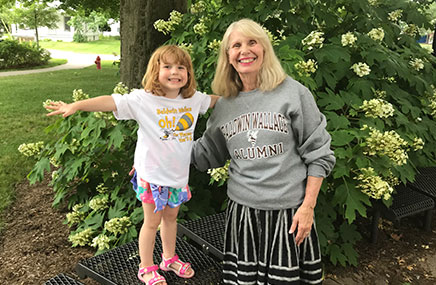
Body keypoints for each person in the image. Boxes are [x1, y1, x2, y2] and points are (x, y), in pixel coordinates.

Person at [46, 45, 219, 285]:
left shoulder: (192, 99)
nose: (175, 72)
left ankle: (168, 259)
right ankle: (146, 267)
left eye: (181, 67)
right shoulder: (143, 100)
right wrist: (76, 105)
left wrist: (248, 98)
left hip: (178, 177)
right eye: (167, 66)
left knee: (171, 219)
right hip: (153, 176)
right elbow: (111, 101)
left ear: (188, 73)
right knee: (152, 223)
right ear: (155, 71)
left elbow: (216, 101)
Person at [191, 19, 335, 284]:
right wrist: (156, 152)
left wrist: (308, 207)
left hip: (289, 215)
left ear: (265, 49)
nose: (244, 50)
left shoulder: (293, 93)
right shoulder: (225, 105)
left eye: (252, 42)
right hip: (243, 216)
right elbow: (205, 154)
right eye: (236, 45)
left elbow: (319, 154)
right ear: (228, 57)